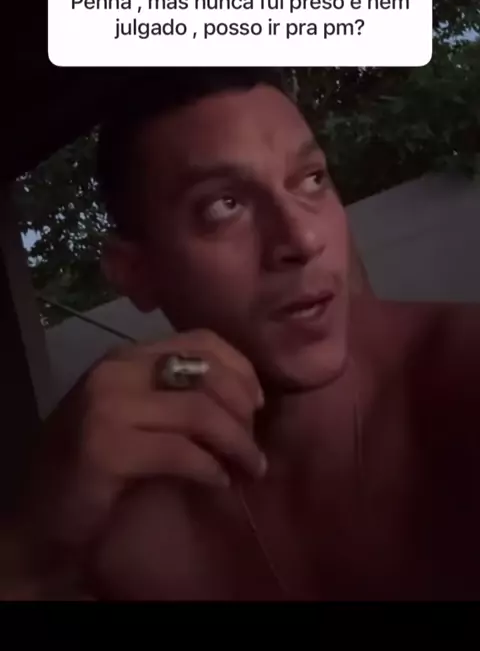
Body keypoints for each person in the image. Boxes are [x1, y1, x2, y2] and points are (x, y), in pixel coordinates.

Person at [12, 69, 480, 600]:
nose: (302, 238)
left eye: (311, 180)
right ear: (135, 273)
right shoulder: (131, 530)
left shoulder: (456, 374)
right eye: (223, 206)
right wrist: (27, 551)